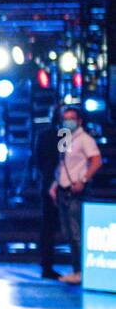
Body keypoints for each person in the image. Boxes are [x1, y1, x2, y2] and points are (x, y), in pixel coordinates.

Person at [51, 106, 102, 285]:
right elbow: (62, 163)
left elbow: (96, 160)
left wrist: (84, 179)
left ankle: (82, 271)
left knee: (76, 231)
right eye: (66, 118)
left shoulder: (85, 139)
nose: (68, 121)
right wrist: (55, 184)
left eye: (72, 118)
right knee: (68, 233)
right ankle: (76, 269)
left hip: (76, 189)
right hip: (63, 188)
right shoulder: (65, 137)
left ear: (79, 121)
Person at [33, 108, 63, 280]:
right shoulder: (63, 134)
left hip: (48, 180)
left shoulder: (43, 134)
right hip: (56, 182)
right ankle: (47, 265)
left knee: (48, 227)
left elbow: (38, 159)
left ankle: (46, 265)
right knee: (50, 226)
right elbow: (63, 159)